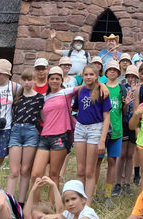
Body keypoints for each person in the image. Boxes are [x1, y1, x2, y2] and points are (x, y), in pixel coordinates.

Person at [30, 66, 75, 198]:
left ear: (61, 80)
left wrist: (102, 86)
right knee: (36, 174)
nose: (54, 81)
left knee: (54, 174)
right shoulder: (44, 97)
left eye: (57, 78)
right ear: (48, 80)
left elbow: (86, 87)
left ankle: (51, 205)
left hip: (60, 136)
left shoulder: (66, 92)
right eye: (52, 78)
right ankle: (34, 204)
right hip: (45, 136)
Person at [71, 64, 112, 202]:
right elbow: (75, 108)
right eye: (86, 74)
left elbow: (107, 117)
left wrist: (102, 140)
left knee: (89, 171)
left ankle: (87, 203)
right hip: (80, 128)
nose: (88, 77)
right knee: (80, 170)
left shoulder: (102, 92)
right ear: (82, 76)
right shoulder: (80, 91)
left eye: (91, 74)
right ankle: (79, 201)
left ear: (97, 76)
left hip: (95, 128)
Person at [6, 67, 45, 206]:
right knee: (14, 170)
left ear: (35, 81)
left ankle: (21, 202)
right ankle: (9, 201)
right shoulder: (17, 97)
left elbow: (43, 118)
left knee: (25, 170)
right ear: (21, 81)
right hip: (16, 130)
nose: (27, 83)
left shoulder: (39, 98)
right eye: (25, 80)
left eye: (30, 80)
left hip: (31, 131)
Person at [97, 60, 128, 206]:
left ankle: (108, 195)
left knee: (112, 162)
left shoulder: (122, 89)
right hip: (100, 131)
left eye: (115, 70)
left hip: (116, 130)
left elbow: (124, 111)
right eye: (110, 69)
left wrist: (127, 104)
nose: (112, 72)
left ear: (118, 72)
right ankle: (94, 192)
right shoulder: (100, 87)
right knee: (97, 162)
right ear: (106, 72)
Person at [114, 65, 138, 196]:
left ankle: (127, 183)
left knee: (130, 155)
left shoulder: (140, 90)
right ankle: (117, 183)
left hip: (134, 124)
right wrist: (127, 104)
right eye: (129, 76)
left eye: (134, 76)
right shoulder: (122, 89)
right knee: (122, 154)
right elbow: (122, 110)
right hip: (124, 123)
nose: (131, 79)